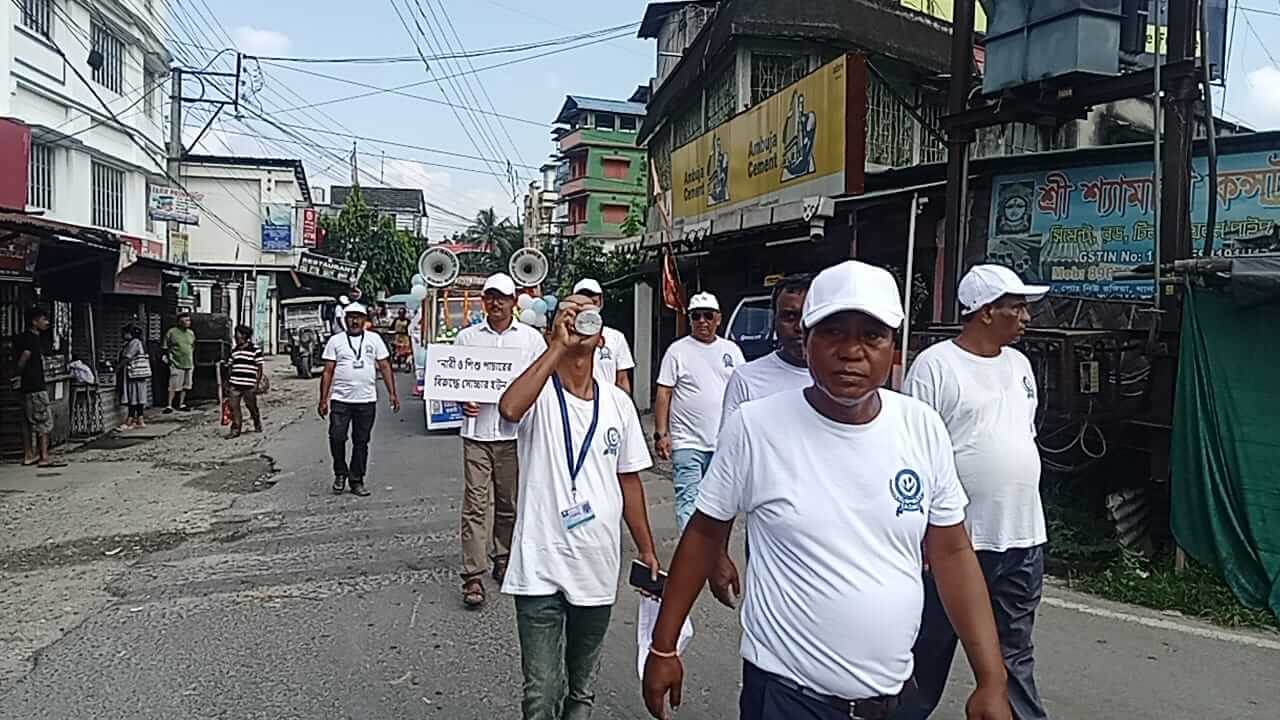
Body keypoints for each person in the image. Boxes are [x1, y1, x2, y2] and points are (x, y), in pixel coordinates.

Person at [642, 260, 1011, 720]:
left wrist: (991, 679)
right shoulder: (756, 427)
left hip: (890, 700)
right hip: (785, 698)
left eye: (872, 336)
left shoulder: (922, 427)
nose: (851, 351)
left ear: (893, 346)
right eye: (833, 333)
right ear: (807, 338)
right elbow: (703, 535)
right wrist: (663, 646)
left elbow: (952, 553)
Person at [894, 264, 1051, 720]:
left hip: (1022, 537)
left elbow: (1022, 435)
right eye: (1016, 307)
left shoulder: (1019, 366)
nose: (1026, 317)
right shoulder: (936, 366)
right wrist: (922, 534)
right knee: (927, 654)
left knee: (1013, 654)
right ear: (985, 311)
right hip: (956, 542)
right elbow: (912, 454)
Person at [497, 293, 660, 720]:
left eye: (588, 314)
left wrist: (647, 548)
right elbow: (509, 409)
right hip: (539, 564)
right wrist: (557, 345)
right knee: (541, 694)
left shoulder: (618, 404)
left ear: (601, 336)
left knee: (581, 691)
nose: (579, 320)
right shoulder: (538, 392)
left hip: (595, 563)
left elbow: (629, 479)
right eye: (569, 312)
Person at [709, 273, 813, 608]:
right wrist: (718, 552)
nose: (799, 327)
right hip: (771, 536)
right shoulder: (748, 380)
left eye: (808, 315)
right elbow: (727, 471)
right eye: (789, 316)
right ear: (775, 321)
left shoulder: (848, 381)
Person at [454, 272, 547, 608]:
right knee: (475, 506)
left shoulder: (532, 340)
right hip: (477, 433)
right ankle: (472, 575)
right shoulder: (466, 338)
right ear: (484, 301)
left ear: (513, 302)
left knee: (509, 503)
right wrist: (461, 400)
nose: (496, 303)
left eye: (502, 298)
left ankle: (503, 558)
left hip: (515, 436)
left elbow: (542, 383)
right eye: (490, 297)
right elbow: (454, 379)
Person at [653, 291, 744, 532]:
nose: (702, 321)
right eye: (696, 316)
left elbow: (743, 390)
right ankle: (691, 553)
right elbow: (664, 392)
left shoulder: (731, 350)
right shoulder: (677, 351)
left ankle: (713, 551)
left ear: (718, 318)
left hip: (723, 442)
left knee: (720, 505)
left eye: (708, 315)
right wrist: (661, 434)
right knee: (688, 500)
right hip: (687, 442)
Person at [318, 302, 401, 497]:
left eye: (358, 317)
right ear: (345, 320)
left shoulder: (374, 339)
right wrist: (323, 399)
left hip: (366, 400)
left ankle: (356, 480)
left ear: (365, 320)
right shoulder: (335, 341)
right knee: (337, 436)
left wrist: (392, 393)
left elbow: (384, 366)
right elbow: (328, 371)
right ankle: (340, 472)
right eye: (351, 317)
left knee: (361, 441)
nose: (354, 321)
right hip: (341, 399)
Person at [573, 278, 636, 394]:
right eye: (583, 303)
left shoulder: (616, 337)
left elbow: (622, 379)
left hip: (607, 401)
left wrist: (625, 403)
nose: (589, 307)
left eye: (593, 302)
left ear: (601, 302)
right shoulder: (566, 338)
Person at [14, 308, 53, 466]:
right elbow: (25, 356)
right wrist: (19, 372)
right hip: (36, 385)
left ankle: (29, 454)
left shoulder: (21, 338)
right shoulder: (32, 339)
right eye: (43, 319)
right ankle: (44, 457)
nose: (46, 323)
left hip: (25, 387)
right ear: (34, 322)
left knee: (27, 422)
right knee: (43, 421)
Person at [227, 324, 265, 439]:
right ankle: (236, 429)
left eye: (237, 334)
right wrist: (228, 381)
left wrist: (256, 383)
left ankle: (256, 421)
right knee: (233, 407)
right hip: (235, 384)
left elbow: (259, 368)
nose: (235, 336)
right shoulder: (234, 351)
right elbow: (230, 366)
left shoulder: (255, 350)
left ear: (244, 335)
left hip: (249, 384)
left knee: (251, 406)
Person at [119, 325, 151, 430]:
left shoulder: (134, 343)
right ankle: (139, 419)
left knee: (133, 397)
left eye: (125, 333)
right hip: (140, 374)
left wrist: (118, 368)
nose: (123, 335)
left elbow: (128, 357)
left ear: (130, 333)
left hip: (134, 373)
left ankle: (131, 419)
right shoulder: (140, 342)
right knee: (139, 397)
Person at [163, 312, 196, 413]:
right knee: (173, 385)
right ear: (179, 322)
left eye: (188, 320)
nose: (188, 322)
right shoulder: (172, 332)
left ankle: (182, 404)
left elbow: (193, 346)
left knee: (186, 385)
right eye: (185, 320)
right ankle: (169, 405)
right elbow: (165, 346)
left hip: (188, 362)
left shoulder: (191, 333)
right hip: (176, 362)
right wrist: (169, 358)